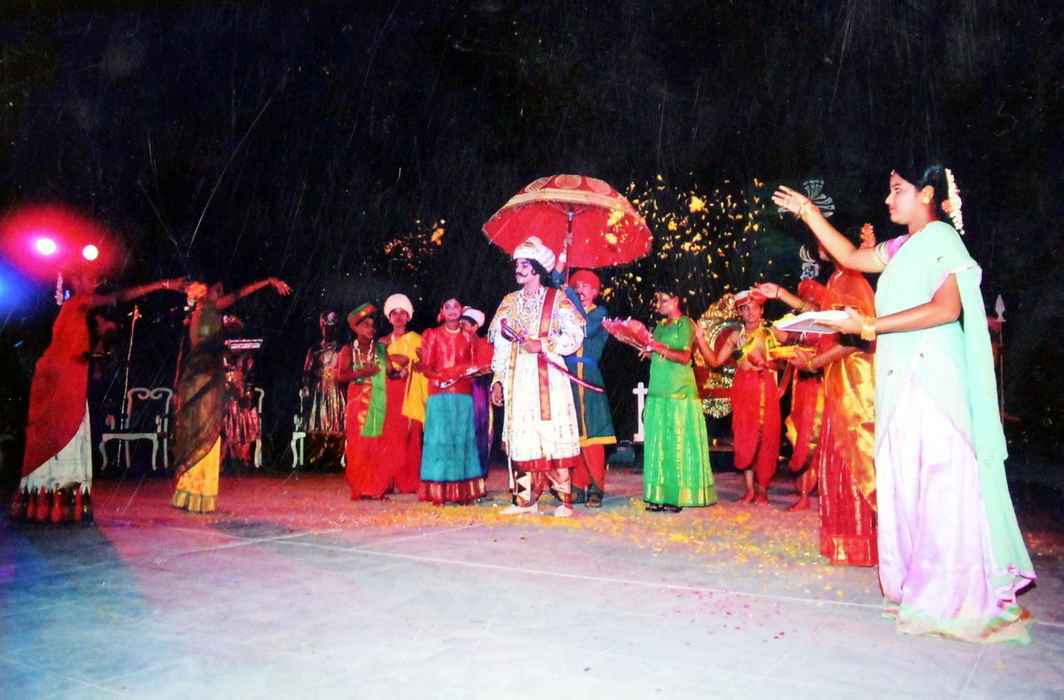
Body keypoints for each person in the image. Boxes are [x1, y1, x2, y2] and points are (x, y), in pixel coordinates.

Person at [774, 164, 1035, 642]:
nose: (888, 200)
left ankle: (953, 595)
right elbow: (849, 254)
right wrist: (808, 212)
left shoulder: (942, 239)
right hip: (901, 380)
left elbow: (946, 309)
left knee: (939, 481)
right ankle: (921, 586)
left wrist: (868, 326)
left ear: (927, 194)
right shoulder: (900, 248)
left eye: (898, 190)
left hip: (933, 379)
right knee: (908, 480)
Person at [11, 272, 185, 524]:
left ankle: (52, 500)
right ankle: (54, 498)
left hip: (62, 378)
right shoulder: (77, 303)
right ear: (76, 282)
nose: (93, 283)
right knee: (64, 431)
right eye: (88, 279)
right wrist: (162, 284)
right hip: (63, 381)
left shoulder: (75, 310)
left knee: (62, 432)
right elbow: (119, 296)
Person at [758, 250, 878, 564]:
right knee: (834, 464)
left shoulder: (853, 279)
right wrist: (781, 294)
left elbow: (857, 340)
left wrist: (813, 362)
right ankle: (847, 544)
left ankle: (866, 545)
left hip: (856, 388)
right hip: (838, 383)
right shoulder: (838, 277)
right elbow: (820, 313)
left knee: (856, 466)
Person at [171, 278, 291, 513]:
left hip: (195, 377)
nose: (221, 294)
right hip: (205, 379)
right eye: (218, 290)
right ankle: (199, 494)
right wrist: (268, 281)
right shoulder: (209, 308)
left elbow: (202, 347)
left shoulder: (198, 315)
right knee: (208, 432)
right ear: (205, 293)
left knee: (199, 433)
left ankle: (189, 492)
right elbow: (240, 292)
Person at [488, 236, 585, 518]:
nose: (518, 269)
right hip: (518, 378)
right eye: (517, 264)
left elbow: (575, 335)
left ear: (536, 268)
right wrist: (498, 379)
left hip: (549, 378)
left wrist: (543, 344)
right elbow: (501, 345)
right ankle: (524, 500)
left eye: (523, 264)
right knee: (523, 434)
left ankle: (564, 499)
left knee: (552, 431)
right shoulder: (509, 301)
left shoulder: (557, 299)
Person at [698, 289, 784, 504]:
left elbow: (786, 361)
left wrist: (772, 372)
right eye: (744, 309)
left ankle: (762, 490)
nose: (750, 313)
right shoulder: (736, 336)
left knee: (766, 438)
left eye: (754, 308)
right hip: (743, 390)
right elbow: (715, 362)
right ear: (739, 313)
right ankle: (749, 490)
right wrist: (700, 339)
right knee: (745, 437)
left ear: (761, 310)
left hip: (765, 389)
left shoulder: (770, 333)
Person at [755, 279, 832, 512]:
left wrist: (780, 293)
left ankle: (815, 494)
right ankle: (804, 494)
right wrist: (785, 339)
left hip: (820, 388)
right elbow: (794, 351)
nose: (805, 302)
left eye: (809, 299)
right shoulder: (803, 324)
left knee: (812, 440)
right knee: (799, 437)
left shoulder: (826, 321)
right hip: (801, 387)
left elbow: (823, 351)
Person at [641, 290, 717, 513]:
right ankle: (658, 495)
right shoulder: (660, 326)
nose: (659, 304)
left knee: (677, 445)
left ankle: (677, 496)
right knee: (658, 445)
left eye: (664, 300)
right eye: (657, 299)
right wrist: (643, 348)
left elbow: (684, 357)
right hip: (658, 390)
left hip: (679, 394)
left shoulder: (686, 324)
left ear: (676, 301)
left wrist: (658, 348)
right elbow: (658, 354)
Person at [417, 298, 486, 504]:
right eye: (447, 307)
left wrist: (466, 372)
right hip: (439, 393)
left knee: (462, 439)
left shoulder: (469, 337)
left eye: (455, 306)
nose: (452, 310)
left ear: (461, 310)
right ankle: (438, 492)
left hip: (463, 394)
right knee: (439, 440)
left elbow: (475, 366)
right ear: (442, 311)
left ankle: (462, 492)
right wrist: (440, 378)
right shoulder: (432, 334)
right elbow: (425, 366)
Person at [563, 270, 617, 508]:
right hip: (567, 377)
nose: (579, 290)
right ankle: (577, 484)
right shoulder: (566, 314)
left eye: (585, 286)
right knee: (574, 433)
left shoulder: (600, 313)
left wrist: (568, 294)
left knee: (594, 432)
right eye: (576, 286)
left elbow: (584, 329)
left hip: (589, 376)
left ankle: (597, 485)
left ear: (595, 291)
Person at [334, 303, 388, 500]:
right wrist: (361, 373)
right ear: (355, 328)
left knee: (377, 443)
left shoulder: (381, 349)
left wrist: (403, 369)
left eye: (372, 325)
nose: (370, 329)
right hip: (357, 401)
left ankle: (376, 489)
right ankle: (359, 488)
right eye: (365, 325)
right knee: (358, 445)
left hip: (378, 400)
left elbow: (390, 371)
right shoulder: (348, 350)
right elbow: (339, 376)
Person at [380, 293, 427, 494]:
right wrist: (398, 362)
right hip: (389, 391)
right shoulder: (382, 342)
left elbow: (421, 364)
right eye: (394, 313)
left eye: (402, 313)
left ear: (408, 317)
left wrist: (405, 363)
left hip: (411, 391)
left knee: (411, 435)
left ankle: (409, 481)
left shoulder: (417, 340)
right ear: (389, 318)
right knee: (389, 436)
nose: (398, 317)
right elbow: (379, 366)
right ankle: (388, 480)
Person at [301, 311, 346, 468]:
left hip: (336, 389)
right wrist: (306, 388)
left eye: (331, 327)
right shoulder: (314, 349)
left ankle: (334, 459)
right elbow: (306, 371)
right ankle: (317, 457)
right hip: (319, 391)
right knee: (318, 421)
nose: (328, 330)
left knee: (336, 422)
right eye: (325, 326)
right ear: (321, 327)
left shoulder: (341, 349)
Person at [459, 307, 494, 479]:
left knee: (479, 430)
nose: (460, 327)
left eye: (464, 324)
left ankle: (478, 475)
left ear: (475, 327)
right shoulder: (454, 344)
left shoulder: (484, 345)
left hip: (478, 392)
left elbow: (489, 368)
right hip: (457, 392)